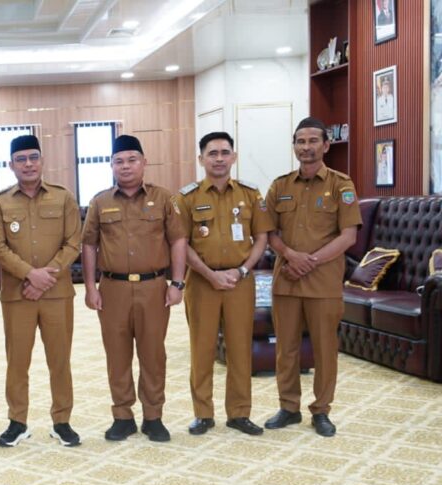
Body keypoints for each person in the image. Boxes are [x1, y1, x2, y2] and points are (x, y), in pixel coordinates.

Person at [81, 134, 186, 443]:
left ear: (144, 163)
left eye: (132, 160)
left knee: (153, 354)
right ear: (111, 165)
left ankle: (153, 417)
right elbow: (88, 245)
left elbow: (178, 240)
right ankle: (122, 416)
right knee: (117, 355)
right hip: (112, 289)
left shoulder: (164, 198)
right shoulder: (100, 201)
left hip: (154, 287)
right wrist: (90, 287)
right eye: (119, 161)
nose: (125, 166)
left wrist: (177, 282)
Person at [263, 117, 362, 437]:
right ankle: (288, 407)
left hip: (324, 283)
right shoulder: (280, 186)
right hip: (287, 280)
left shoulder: (341, 185)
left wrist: (310, 261)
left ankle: (321, 410)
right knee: (286, 349)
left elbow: (348, 236)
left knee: (324, 349)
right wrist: (290, 256)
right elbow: (268, 232)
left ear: (326, 145)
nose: (306, 147)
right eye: (300, 142)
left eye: (313, 141)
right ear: (294, 146)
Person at [0, 134, 82, 448]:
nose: (28, 164)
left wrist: (45, 277)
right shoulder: (0, 203)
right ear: (11, 164)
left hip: (57, 294)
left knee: (60, 360)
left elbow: (73, 242)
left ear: (42, 160)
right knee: (17, 362)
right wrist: (30, 275)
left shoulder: (63, 197)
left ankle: (62, 421)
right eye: (21, 159)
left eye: (33, 157)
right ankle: (17, 422)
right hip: (19, 296)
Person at [178, 132, 274, 437]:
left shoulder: (250, 195)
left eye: (224, 152)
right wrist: (210, 274)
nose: (219, 159)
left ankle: (239, 413)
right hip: (202, 282)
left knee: (240, 348)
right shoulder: (187, 197)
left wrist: (243, 270)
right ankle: (203, 414)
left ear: (234, 157)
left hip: (238, 282)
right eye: (212, 153)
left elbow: (262, 238)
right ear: (201, 159)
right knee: (202, 349)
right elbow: (181, 244)